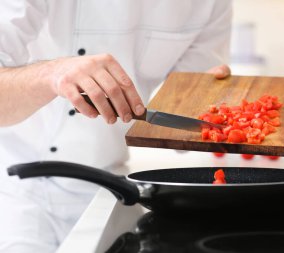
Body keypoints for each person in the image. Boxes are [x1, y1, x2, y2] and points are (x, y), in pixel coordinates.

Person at [0, 1, 232, 252]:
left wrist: (205, 103)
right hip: (16, 187)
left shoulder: (210, 4)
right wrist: (52, 74)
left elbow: (187, 120)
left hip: (107, 189)